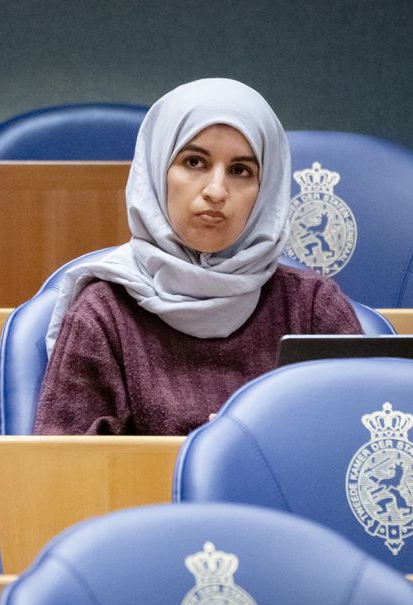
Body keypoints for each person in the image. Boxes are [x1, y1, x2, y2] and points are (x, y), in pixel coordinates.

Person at [34, 78, 360, 436]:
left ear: (265, 189)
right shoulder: (103, 314)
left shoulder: (311, 307)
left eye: (240, 171)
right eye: (194, 162)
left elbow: (352, 444)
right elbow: (63, 471)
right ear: (158, 172)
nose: (216, 191)